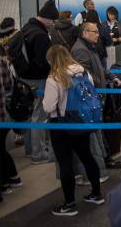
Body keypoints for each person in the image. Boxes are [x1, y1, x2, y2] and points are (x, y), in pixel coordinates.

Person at [42, 45, 104, 216]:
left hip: (61, 124)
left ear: (51, 60)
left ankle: (69, 204)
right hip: (82, 120)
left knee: (65, 163)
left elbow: (48, 106)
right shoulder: (83, 72)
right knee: (87, 156)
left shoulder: (54, 77)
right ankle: (96, 194)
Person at [71, 21, 121, 173]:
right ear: (85, 33)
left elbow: (99, 68)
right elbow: (85, 75)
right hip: (92, 96)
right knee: (96, 131)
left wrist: (111, 77)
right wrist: (101, 84)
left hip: (97, 93)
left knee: (99, 129)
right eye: (95, 32)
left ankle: (105, 158)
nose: (98, 34)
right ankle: (102, 160)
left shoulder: (89, 47)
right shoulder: (80, 50)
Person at [15, 0, 59, 164]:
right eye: (53, 20)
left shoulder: (25, 29)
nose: (53, 24)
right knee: (39, 116)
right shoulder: (40, 35)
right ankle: (38, 153)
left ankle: (30, 149)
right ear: (47, 18)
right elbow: (43, 61)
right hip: (37, 79)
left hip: (23, 78)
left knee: (29, 114)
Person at [0, 43, 20, 201]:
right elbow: (8, 87)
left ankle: (6, 182)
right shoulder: (3, 62)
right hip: (4, 114)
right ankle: (11, 178)